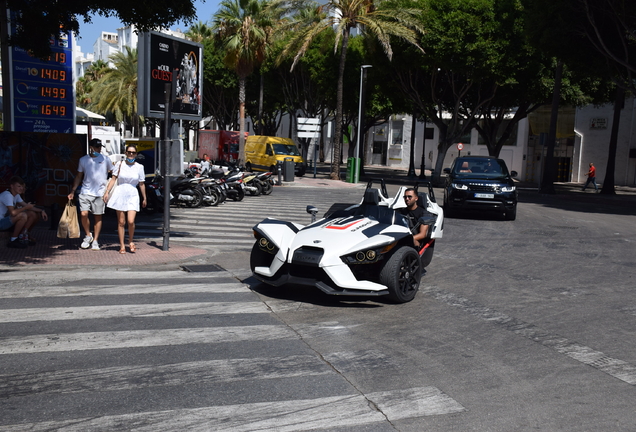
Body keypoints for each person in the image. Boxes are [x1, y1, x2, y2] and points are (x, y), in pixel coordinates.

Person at [68, 138, 114, 250]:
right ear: (91, 147)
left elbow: (113, 174)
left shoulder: (106, 159)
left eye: (100, 147)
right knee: (83, 214)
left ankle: (96, 240)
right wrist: (73, 190)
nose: (98, 149)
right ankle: (88, 235)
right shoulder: (83, 160)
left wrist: (107, 190)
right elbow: (79, 176)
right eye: (96, 147)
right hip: (86, 191)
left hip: (100, 193)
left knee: (97, 217)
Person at [104, 145, 146, 254]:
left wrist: (144, 197)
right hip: (120, 192)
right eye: (129, 152)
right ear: (125, 153)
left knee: (131, 221)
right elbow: (113, 179)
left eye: (133, 152)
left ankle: (130, 241)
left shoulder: (139, 167)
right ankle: (122, 245)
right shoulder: (119, 164)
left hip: (132, 193)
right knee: (121, 222)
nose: (131, 154)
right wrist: (107, 192)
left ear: (136, 154)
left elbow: (141, 183)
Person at [1, 176, 48, 248]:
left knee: (32, 214)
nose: (21, 188)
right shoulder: (7, 195)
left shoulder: (16, 195)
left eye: (22, 186)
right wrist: (25, 208)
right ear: (12, 186)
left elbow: (28, 206)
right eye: (18, 186)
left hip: (7, 220)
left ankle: (23, 235)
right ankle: (13, 240)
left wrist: (42, 211)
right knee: (22, 215)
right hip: (1, 222)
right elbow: (13, 213)